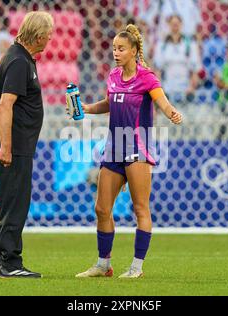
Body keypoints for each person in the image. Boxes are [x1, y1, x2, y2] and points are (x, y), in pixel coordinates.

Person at [75, 24, 183, 279]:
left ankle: (136, 268)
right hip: (113, 147)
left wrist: (172, 114)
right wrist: (86, 108)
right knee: (101, 209)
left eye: (121, 49)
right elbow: (110, 103)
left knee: (140, 208)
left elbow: (162, 102)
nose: (116, 52)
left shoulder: (147, 77)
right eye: (114, 48)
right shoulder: (113, 76)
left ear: (134, 51)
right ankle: (103, 265)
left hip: (138, 147)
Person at [0, 11, 54, 279]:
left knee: (2, 203)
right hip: (14, 145)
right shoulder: (19, 62)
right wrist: (6, 147)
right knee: (15, 205)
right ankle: (11, 263)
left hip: (11, 143)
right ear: (39, 35)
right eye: (48, 34)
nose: (50, 38)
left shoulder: (14, 57)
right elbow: (4, 104)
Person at [154, 14, 201, 106]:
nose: (175, 26)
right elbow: (158, 70)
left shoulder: (190, 44)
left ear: (181, 24)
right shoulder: (162, 45)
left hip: (186, 88)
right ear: (168, 25)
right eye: (172, 24)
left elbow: (195, 70)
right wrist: (160, 90)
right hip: (168, 88)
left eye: (177, 24)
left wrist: (191, 88)